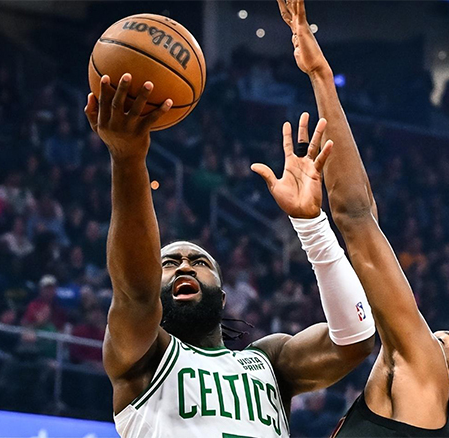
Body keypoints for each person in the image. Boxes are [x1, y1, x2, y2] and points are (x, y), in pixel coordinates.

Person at [84, 72, 376, 436]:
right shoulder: (142, 359)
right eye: (169, 263)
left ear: (223, 296)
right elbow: (136, 293)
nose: (185, 266)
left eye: (199, 262)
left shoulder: (270, 362)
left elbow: (354, 340)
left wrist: (311, 225)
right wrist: (128, 160)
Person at [270, 1, 449, 436]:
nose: (422, 333)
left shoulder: (423, 377)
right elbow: (364, 216)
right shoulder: (396, 407)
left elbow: (356, 218)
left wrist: (320, 75)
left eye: (439, 340)